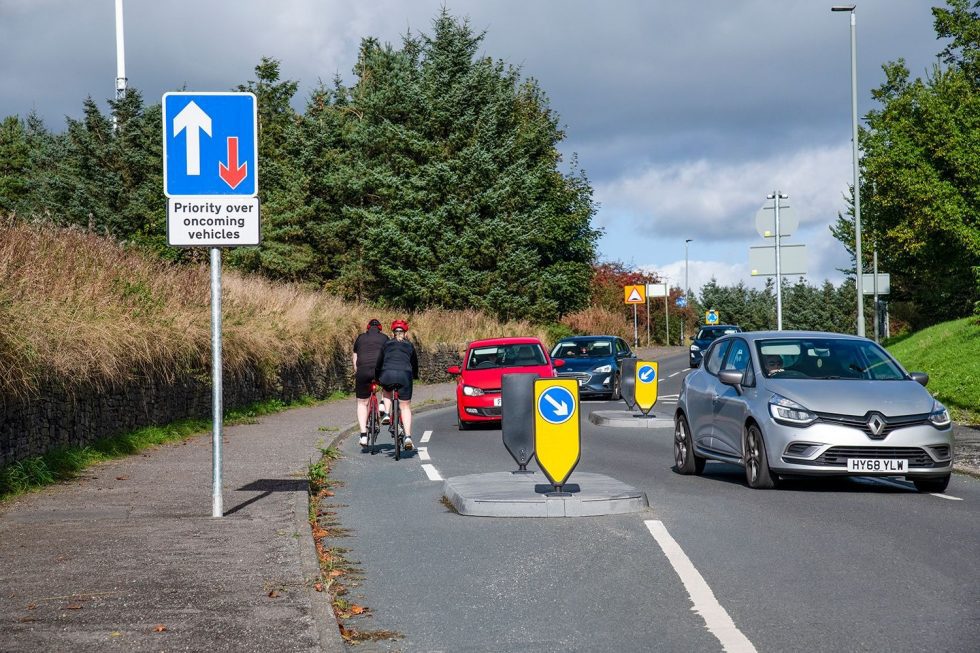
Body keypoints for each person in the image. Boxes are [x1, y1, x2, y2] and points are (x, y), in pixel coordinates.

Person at [374, 319, 419, 450]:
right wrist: (415, 376)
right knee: (405, 406)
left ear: (393, 333)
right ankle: (408, 437)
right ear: (405, 333)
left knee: (386, 392)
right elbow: (415, 364)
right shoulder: (409, 346)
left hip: (387, 373)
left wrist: (378, 377)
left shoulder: (386, 344)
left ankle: (386, 414)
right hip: (405, 375)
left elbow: (378, 363)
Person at [353, 319, 389, 447]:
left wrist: (358, 373)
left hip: (362, 372)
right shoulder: (385, 338)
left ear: (367, 328)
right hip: (379, 371)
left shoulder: (360, 338)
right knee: (387, 388)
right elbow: (388, 357)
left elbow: (355, 358)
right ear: (380, 328)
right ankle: (382, 404)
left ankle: (363, 435)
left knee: (362, 403)